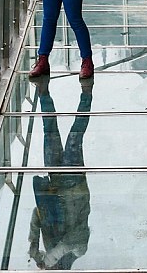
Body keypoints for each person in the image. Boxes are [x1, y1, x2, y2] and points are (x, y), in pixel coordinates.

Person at [27, 77, 93, 269]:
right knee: (75, 135)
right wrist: (48, 259)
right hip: (74, 181)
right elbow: (70, 242)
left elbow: (39, 212)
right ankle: (86, 94)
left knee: (49, 130)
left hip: (55, 179)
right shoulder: (80, 250)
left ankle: (43, 92)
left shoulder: (49, 244)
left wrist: (33, 242)